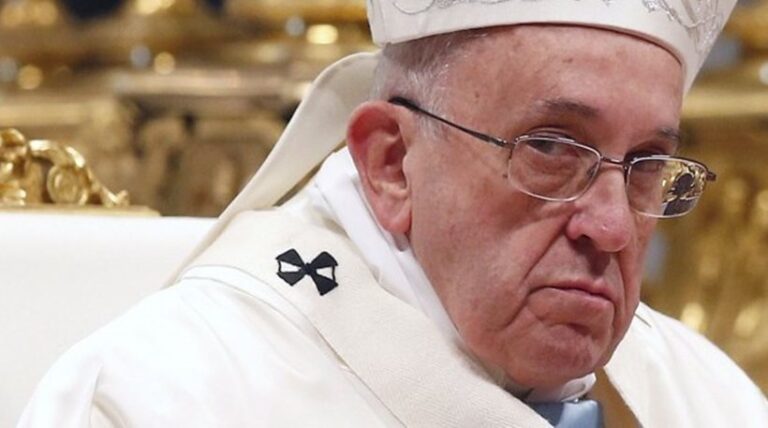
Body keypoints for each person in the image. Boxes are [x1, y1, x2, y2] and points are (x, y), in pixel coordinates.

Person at [18, 1, 768, 427]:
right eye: (550, 148)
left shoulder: (698, 395)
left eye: (646, 165)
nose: (611, 228)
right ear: (390, 163)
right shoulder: (166, 396)